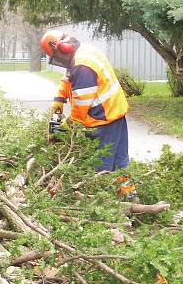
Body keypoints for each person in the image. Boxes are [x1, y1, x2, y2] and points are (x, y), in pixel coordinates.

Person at [40, 29, 131, 175]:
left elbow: (81, 106)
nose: (59, 61)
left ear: (61, 49)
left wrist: (65, 126)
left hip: (103, 119)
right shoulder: (80, 52)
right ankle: (127, 194)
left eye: (56, 57)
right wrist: (58, 101)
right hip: (114, 112)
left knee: (101, 164)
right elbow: (67, 79)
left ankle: (105, 195)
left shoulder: (82, 65)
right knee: (120, 161)